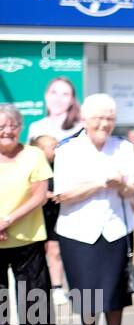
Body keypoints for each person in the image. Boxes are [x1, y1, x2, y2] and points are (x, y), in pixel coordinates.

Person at [51, 95, 134, 325]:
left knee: (115, 289)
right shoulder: (67, 149)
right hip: (78, 231)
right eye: (99, 117)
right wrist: (101, 182)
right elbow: (63, 195)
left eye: (110, 118)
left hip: (115, 228)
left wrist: (121, 184)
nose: (104, 123)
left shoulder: (123, 148)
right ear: (84, 119)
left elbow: (132, 190)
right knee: (86, 290)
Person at [0, 104, 56, 325]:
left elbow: (39, 195)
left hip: (28, 237)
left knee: (33, 295)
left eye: (12, 125)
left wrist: (7, 220)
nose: (7, 131)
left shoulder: (33, 155)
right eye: (1, 126)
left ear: (20, 128)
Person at [27, 76, 81, 296]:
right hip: (45, 197)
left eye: (65, 93)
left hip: (74, 194)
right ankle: (54, 287)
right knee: (49, 245)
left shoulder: (81, 127)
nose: (59, 99)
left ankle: (74, 285)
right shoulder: (35, 127)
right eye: (54, 93)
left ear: (72, 100)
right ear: (46, 96)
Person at [29, 134, 67, 307]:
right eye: (53, 146)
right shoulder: (32, 166)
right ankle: (37, 290)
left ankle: (57, 287)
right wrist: (44, 195)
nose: (57, 148)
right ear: (40, 150)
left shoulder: (61, 167)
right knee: (37, 254)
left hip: (55, 214)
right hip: (34, 217)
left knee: (55, 249)